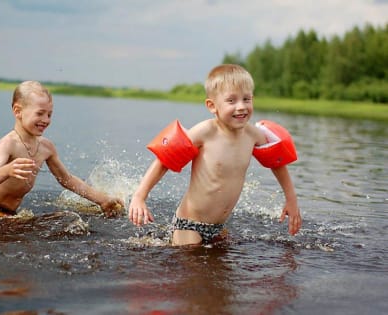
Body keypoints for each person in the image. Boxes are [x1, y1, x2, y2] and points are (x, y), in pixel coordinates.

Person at [128, 64, 301, 246]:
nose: (241, 107)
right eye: (231, 101)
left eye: (246, 99)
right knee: (191, 262)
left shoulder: (253, 135)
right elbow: (164, 160)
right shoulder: (205, 132)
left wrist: (291, 199)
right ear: (212, 106)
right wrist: (140, 196)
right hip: (189, 225)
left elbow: (277, 162)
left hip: (218, 227)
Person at [0, 80, 124, 217]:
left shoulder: (46, 147)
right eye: (40, 113)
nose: (45, 120)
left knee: (60, 219)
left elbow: (67, 179)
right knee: (27, 227)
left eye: (49, 115)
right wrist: (8, 170)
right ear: (18, 111)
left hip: (10, 213)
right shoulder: (9, 143)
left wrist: (103, 200)